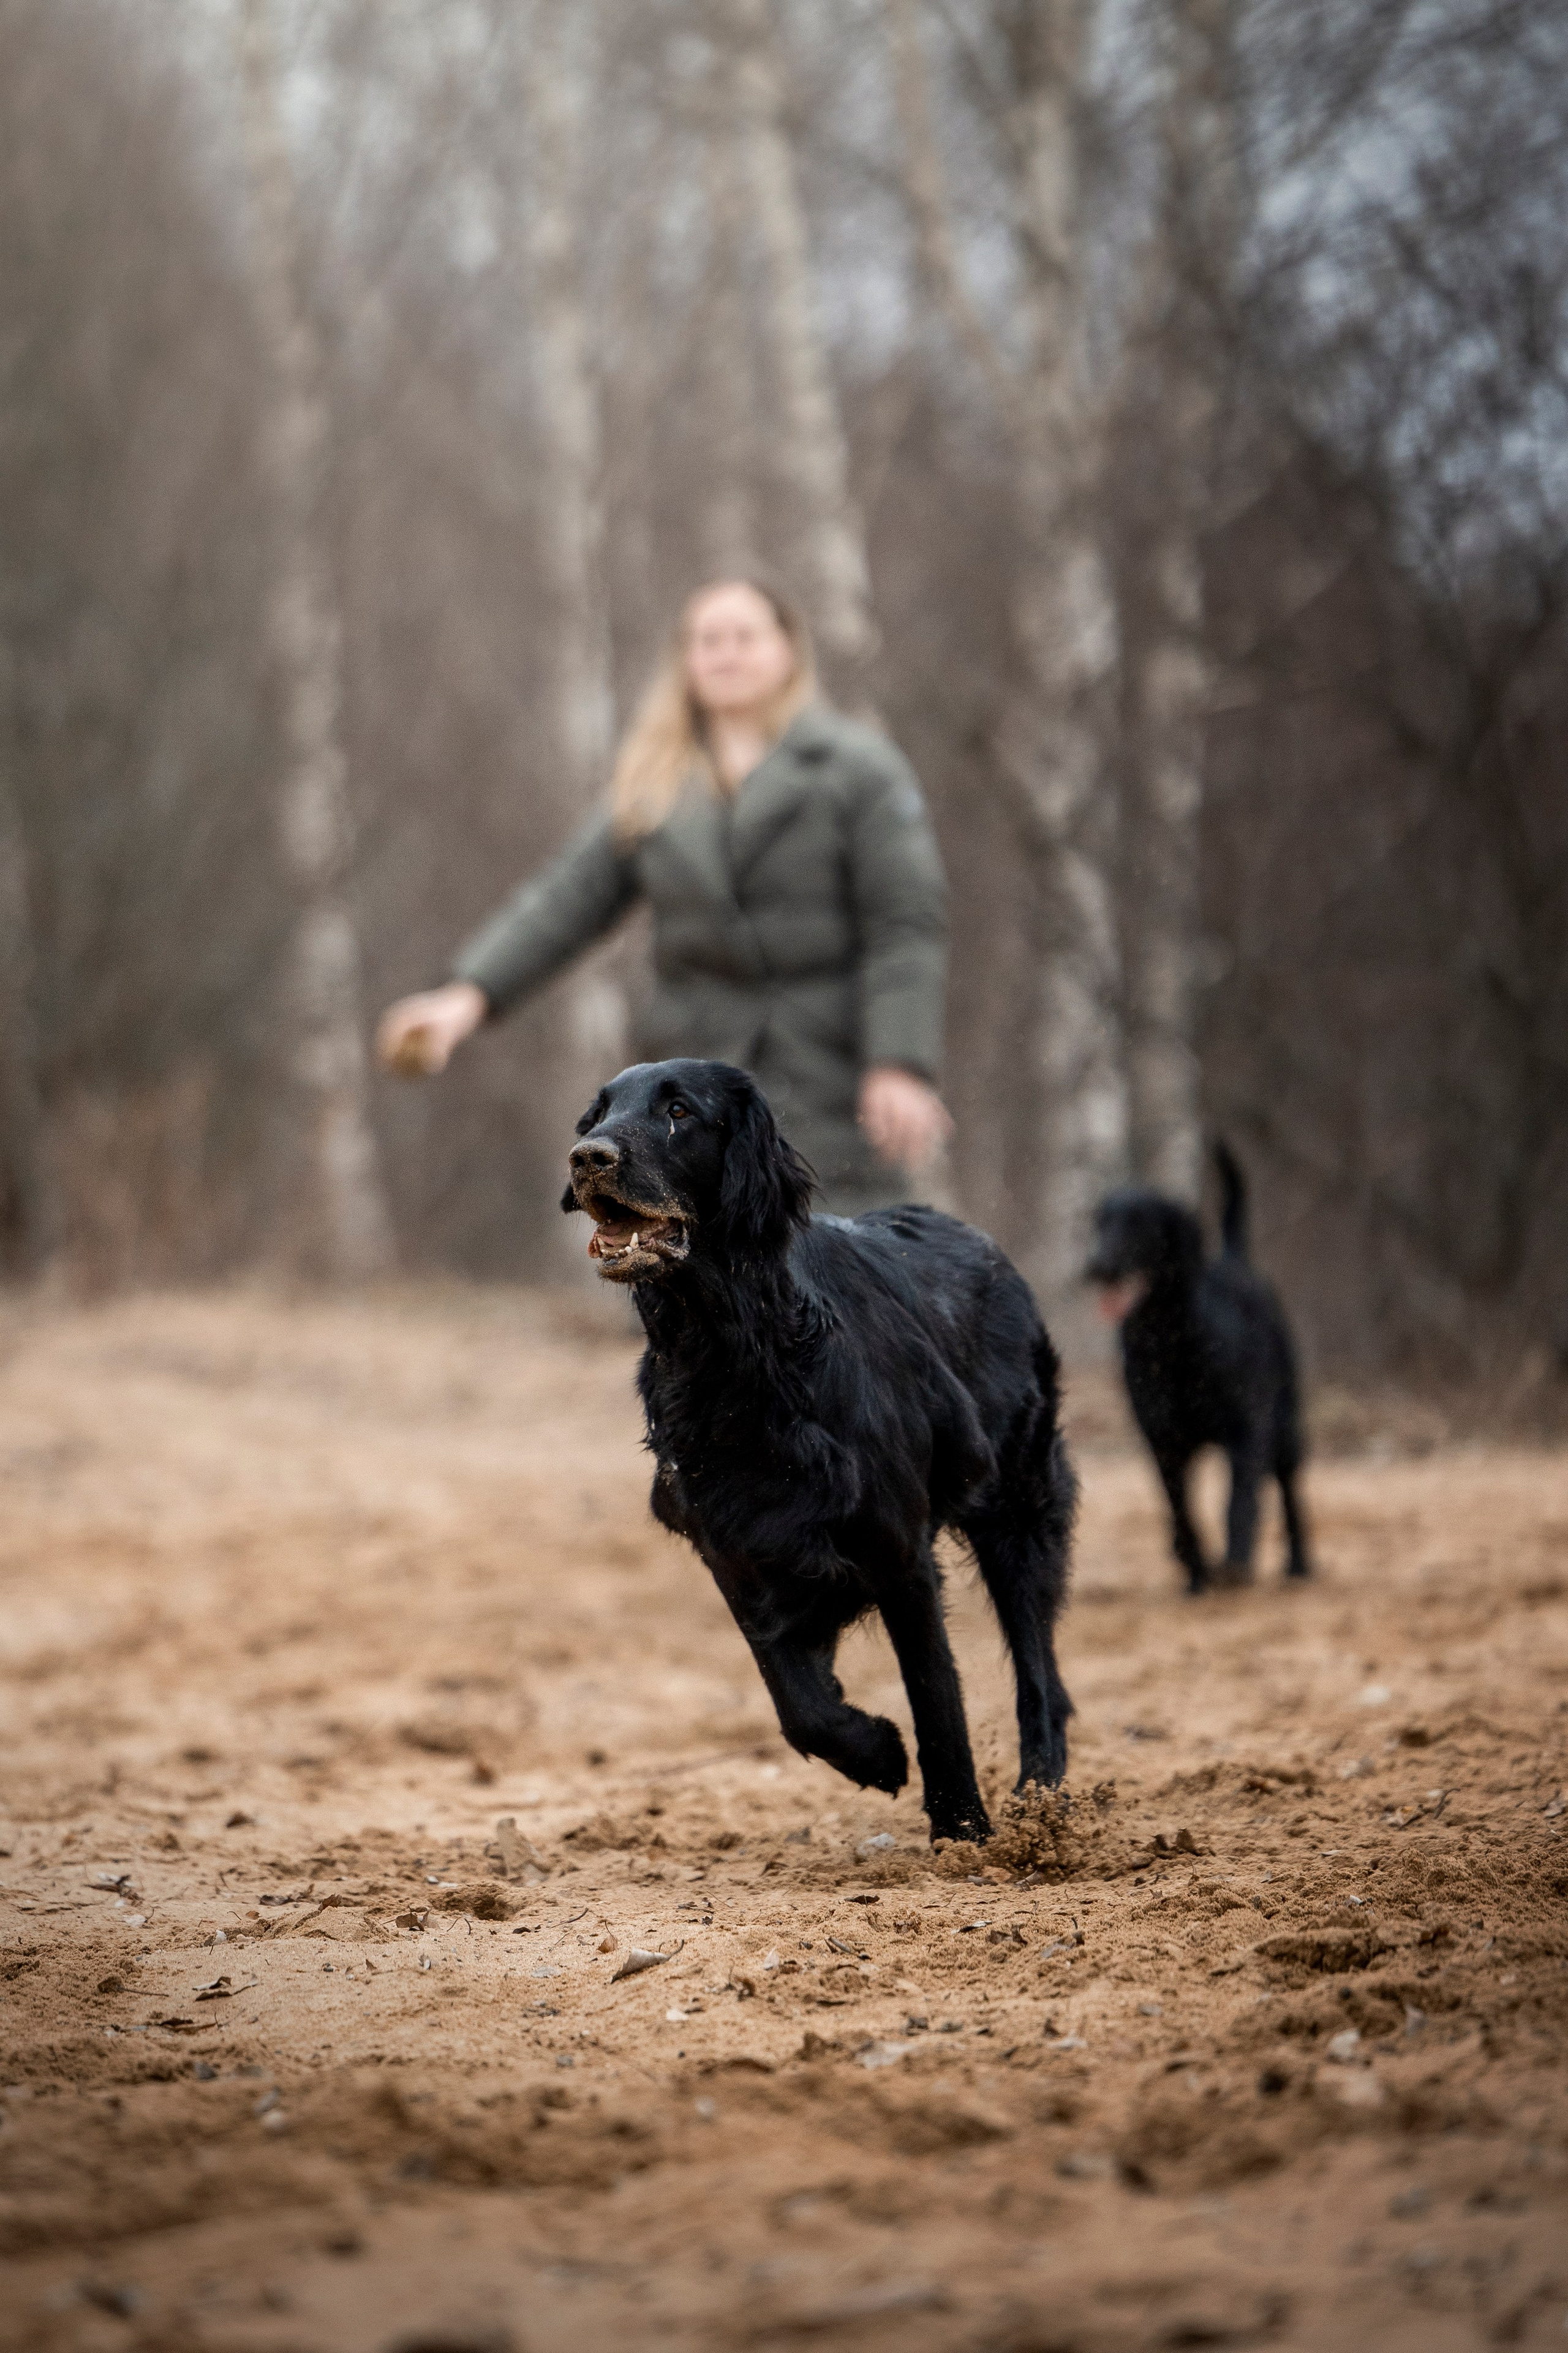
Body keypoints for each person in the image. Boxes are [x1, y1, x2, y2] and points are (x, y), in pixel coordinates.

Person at [375, 577, 951, 1215]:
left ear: (787, 649)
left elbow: (905, 925)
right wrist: (465, 999)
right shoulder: (653, 780)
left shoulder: (858, 769)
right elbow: (567, 901)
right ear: (686, 658)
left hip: (827, 1072)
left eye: (744, 636)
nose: (725, 653)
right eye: (707, 640)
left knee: (837, 1270)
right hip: (690, 1083)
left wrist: (899, 1062)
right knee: (681, 1270)